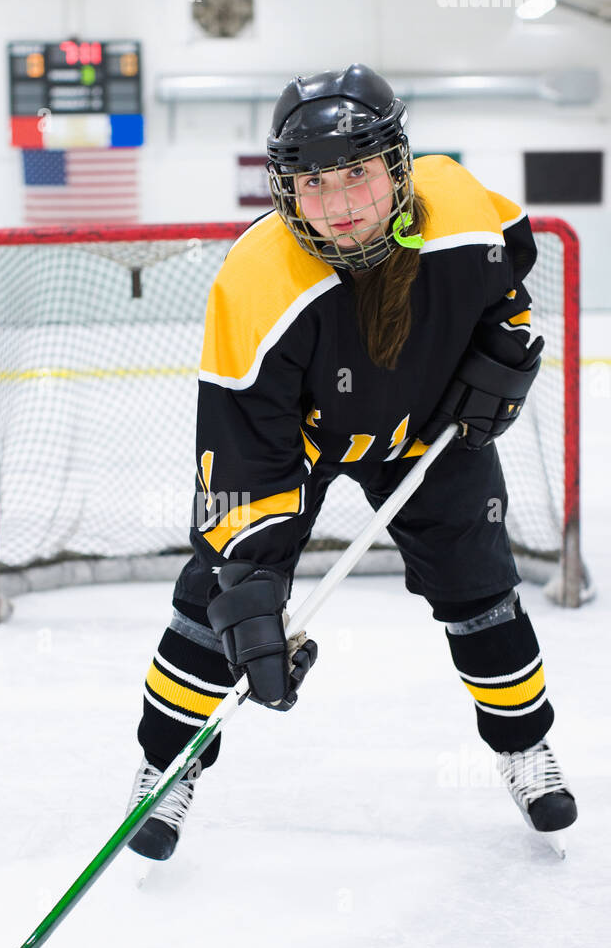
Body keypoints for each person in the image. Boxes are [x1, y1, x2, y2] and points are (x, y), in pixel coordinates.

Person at [125, 63, 577, 861]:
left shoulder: (463, 208)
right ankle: (165, 767)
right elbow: (241, 452)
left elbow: (510, 274)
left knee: (484, 594)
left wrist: (506, 347)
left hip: (431, 428)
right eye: (313, 183)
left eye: (358, 174)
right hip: (304, 441)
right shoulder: (257, 284)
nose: (340, 207)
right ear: (284, 189)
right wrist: (254, 587)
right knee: (216, 602)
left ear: (398, 166)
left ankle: (523, 752)